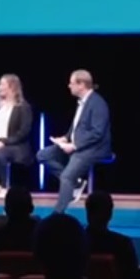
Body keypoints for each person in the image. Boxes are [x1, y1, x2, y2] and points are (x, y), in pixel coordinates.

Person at [38, 69, 111, 214]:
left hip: (94, 148)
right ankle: (76, 183)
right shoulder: (82, 102)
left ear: (81, 84)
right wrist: (66, 138)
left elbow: (97, 132)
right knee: (43, 155)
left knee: (66, 176)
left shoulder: (98, 103)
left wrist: (74, 145)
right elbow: (78, 126)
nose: (69, 86)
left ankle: (57, 215)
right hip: (78, 145)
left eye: (71, 83)